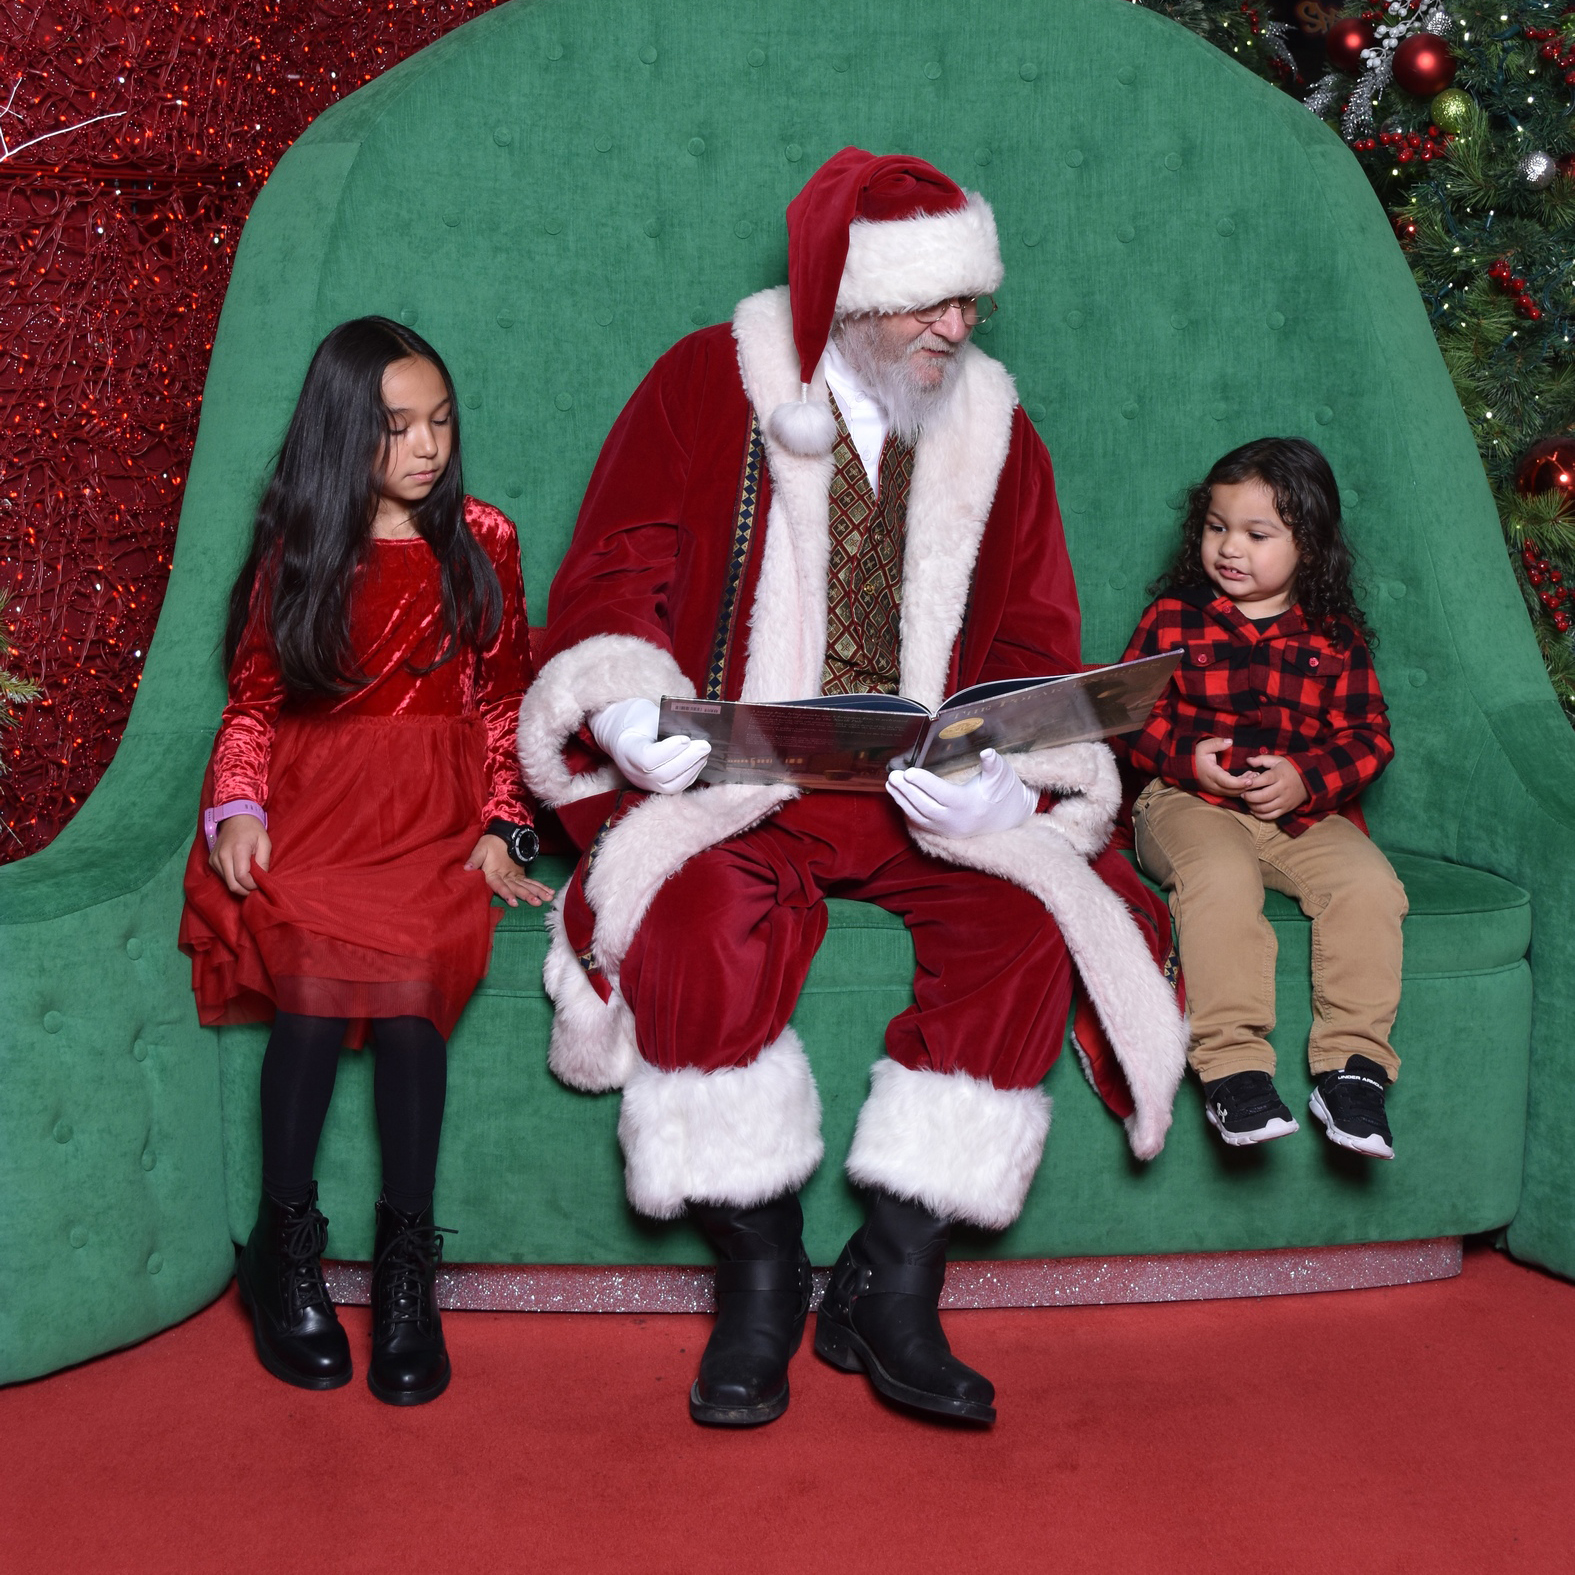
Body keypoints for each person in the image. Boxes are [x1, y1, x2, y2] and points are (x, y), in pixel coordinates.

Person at [518, 148, 1189, 1429]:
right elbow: (615, 571)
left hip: (915, 791)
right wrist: (629, 707)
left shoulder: (997, 428)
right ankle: (762, 1278)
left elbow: (1038, 650)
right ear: (840, 292)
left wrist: (1006, 780)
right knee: (695, 915)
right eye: (925, 303)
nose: (955, 328)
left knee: (1029, 916)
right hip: (742, 785)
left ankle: (893, 1279)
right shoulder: (706, 385)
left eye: (967, 301)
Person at [179, 317, 552, 1405]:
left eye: (439, 422)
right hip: (318, 814)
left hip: (427, 825)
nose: (426, 447)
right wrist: (239, 806)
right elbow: (253, 699)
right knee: (304, 1002)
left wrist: (500, 823)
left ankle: (404, 1273)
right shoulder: (301, 544)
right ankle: (281, 1248)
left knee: (406, 1008)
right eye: (396, 428)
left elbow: (504, 700)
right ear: (346, 434)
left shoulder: (484, 538)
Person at [1117, 437, 1406, 1157]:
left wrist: (1308, 776)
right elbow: (1123, 713)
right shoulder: (1173, 619)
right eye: (1216, 527)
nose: (1229, 548)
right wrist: (1186, 757)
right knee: (1221, 878)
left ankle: (1352, 1070)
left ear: (1306, 545)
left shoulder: (1333, 636)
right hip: (1187, 802)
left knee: (1371, 886)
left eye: (1255, 533)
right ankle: (1233, 1068)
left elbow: (1368, 735)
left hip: (1299, 813)